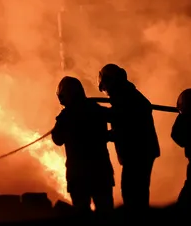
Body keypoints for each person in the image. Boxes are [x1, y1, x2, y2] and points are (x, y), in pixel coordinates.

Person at [98, 64, 160, 208]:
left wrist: (96, 115)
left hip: (138, 152)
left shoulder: (127, 98)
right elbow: (120, 120)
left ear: (110, 82)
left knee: (132, 192)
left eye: (105, 87)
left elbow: (124, 124)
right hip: (140, 151)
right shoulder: (127, 95)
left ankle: (137, 219)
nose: (106, 92)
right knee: (136, 191)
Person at [51, 76, 115, 213]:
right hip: (100, 171)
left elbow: (57, 139)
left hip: (78, 175)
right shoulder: (96, 109)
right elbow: (117, 118)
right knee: (106, 214)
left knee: (82, 216)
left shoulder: (66, 116)